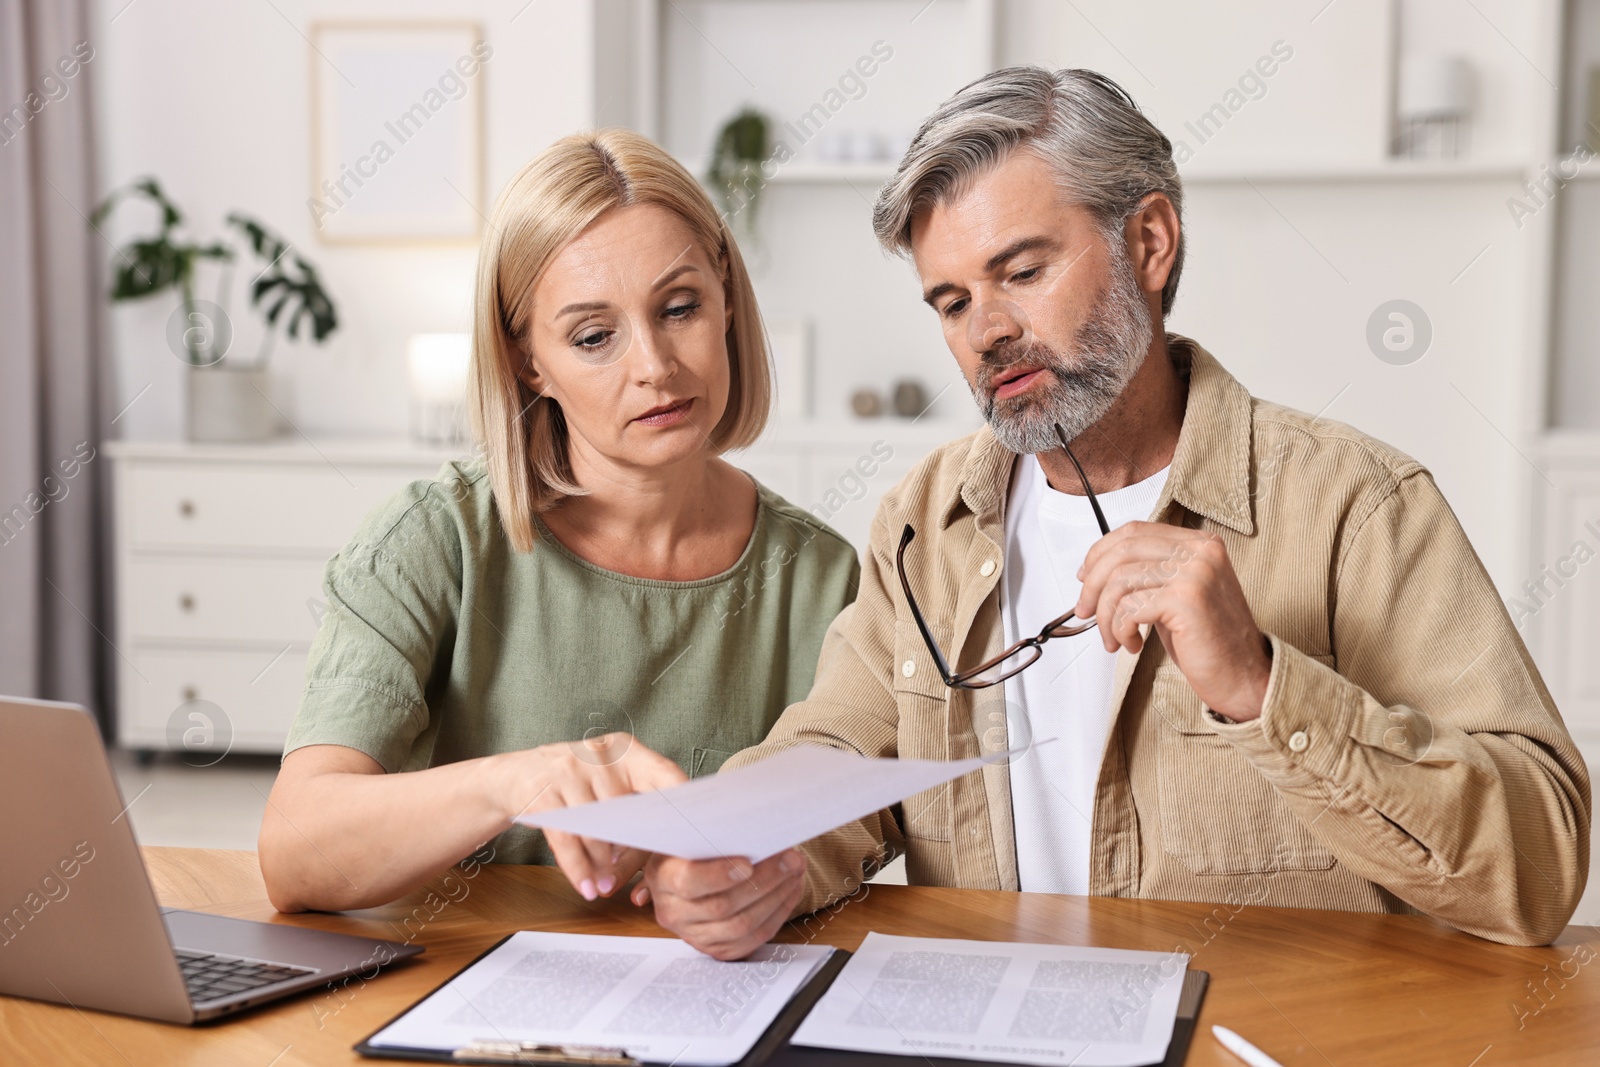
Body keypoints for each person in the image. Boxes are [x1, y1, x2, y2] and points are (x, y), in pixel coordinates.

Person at [643, 67, 1592, 958]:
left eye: (1022, 271)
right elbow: (837, 753)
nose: (987, 332)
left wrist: (1262, 687)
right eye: (951, 300)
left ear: (1149, 242)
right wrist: (748, 855)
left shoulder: (1357, 505)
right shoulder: (924, 520)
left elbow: (1538, 869)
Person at [259, 129, 858, 914]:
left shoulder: (821, 578)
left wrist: (771, 879)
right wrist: (518, 780)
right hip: (461, 1000)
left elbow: (845, 836)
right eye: (593, 336)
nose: (654, 365)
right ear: (526, 361)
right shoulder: (431, 543)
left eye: (679, 308)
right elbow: (294, 851)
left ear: (726, 298)